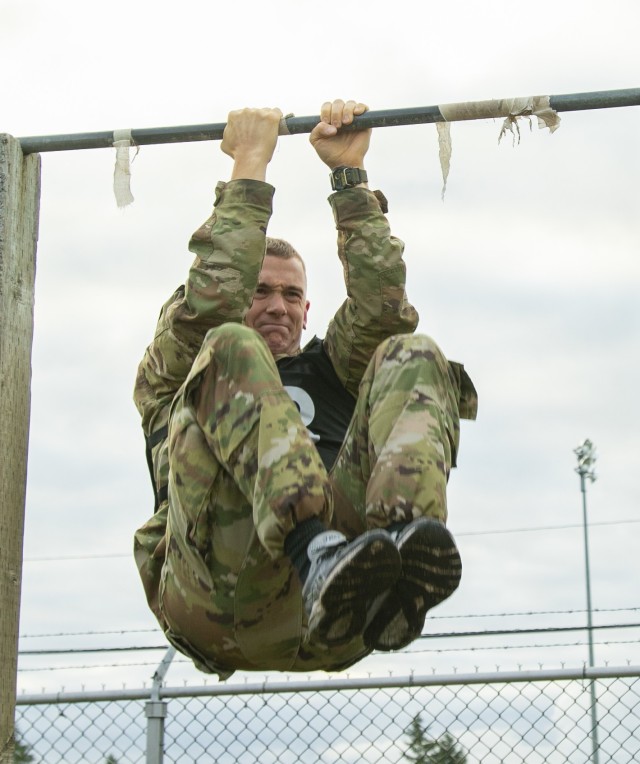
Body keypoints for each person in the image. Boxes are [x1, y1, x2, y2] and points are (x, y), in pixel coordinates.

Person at [133, 99, 477, 680]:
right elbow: (211, 305)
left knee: (412, 352)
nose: (276, 306)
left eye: (291, 295)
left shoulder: (330, 369)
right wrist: (248, 167)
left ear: (306, 308)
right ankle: (312, 547)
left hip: (346, 611)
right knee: (231, 344)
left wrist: (348, 177)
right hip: (221, 596)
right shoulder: (179, 369)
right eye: (261, 290)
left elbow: (382, 308)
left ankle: (398, 558)